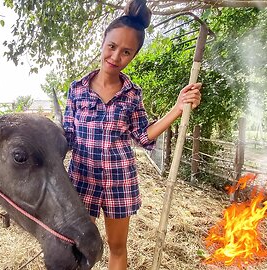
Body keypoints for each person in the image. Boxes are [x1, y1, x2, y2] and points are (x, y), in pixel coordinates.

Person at [62, 0, 202, 269]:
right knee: (79, 246)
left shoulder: (132, 94)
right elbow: (66, 135)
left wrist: (177, 107)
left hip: (119, 182)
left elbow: (143, 135)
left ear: (134, 55)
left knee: (117, 248)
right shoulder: (77, 90)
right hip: (81, 180)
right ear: (103, 43)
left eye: (126, 52)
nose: (115, 57)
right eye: (112, 47)